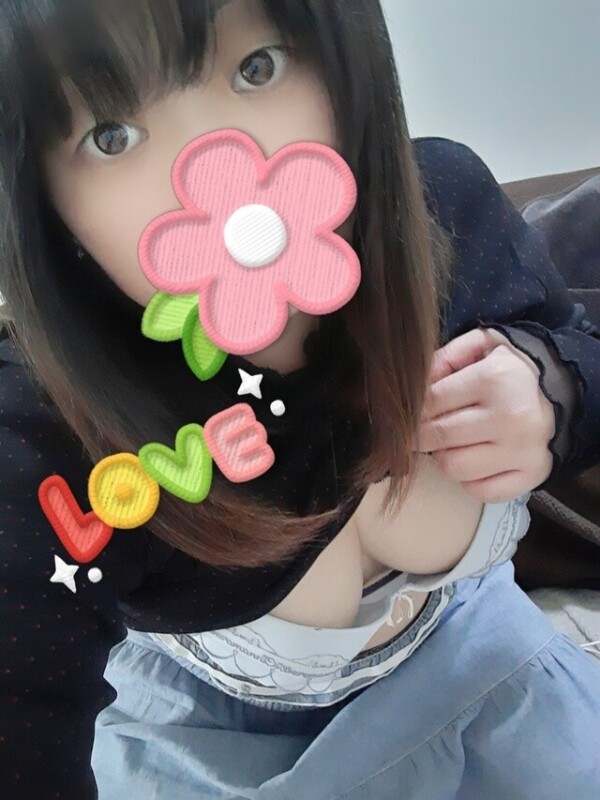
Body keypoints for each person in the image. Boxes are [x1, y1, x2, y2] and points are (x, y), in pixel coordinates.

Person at [0, 1, 599, 799]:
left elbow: (575, 343)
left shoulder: (446, 207)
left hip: (491, 671)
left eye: (258, 68)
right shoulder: (46, 423)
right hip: (220, 750)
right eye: (111, 136)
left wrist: (554, 388)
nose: (220, 170)